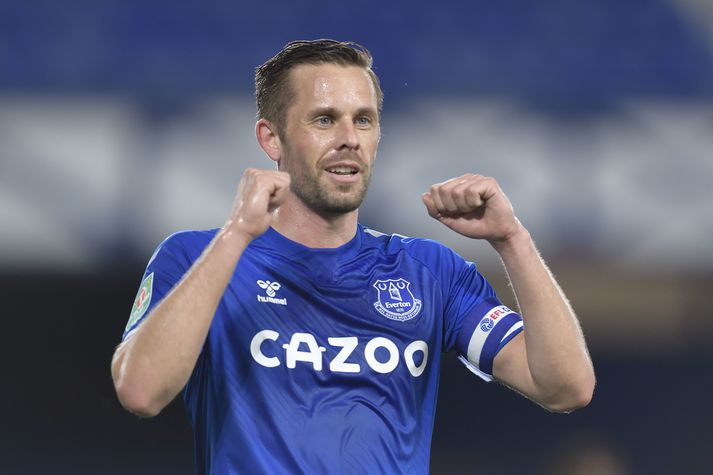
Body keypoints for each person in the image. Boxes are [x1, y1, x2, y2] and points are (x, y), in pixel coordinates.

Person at [111, 39, 595, 474]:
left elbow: (565, 387)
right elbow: (141, 391)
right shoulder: (198, 257)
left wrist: (512, 239)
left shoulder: (429, 272)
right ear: (270, 138)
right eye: (324, 119)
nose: (349, 137)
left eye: (363, 119)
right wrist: (238, 234)